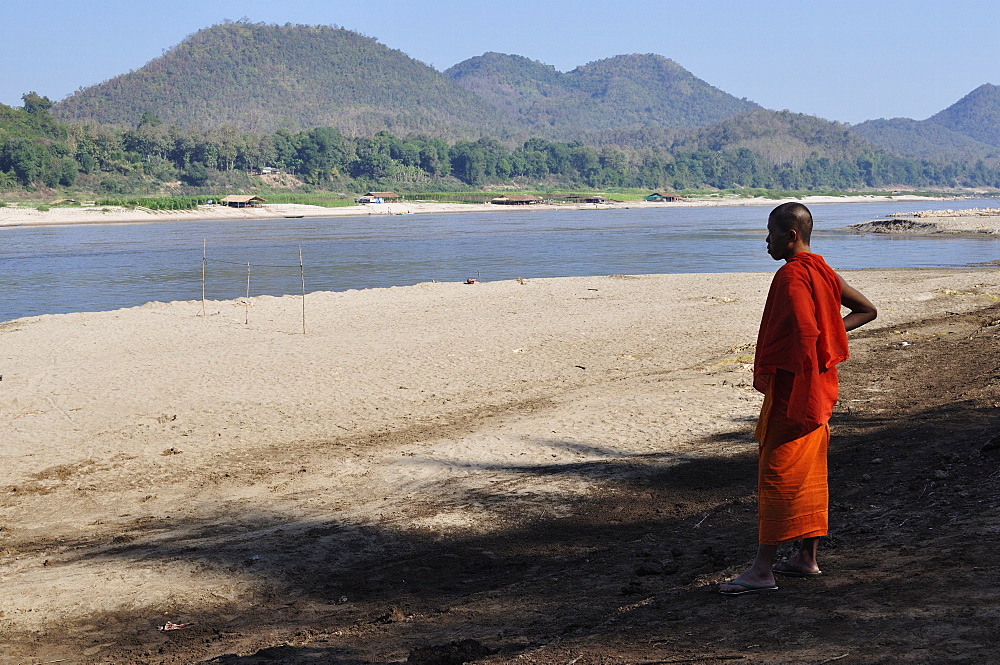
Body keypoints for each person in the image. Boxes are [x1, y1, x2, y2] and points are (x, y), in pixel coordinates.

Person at [720, 202, 877, 595]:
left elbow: (806, 335)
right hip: (819, 388)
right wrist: (829, 343)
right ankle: (806, 558)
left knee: (777, 473)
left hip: (796, 392)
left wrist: (814, 349)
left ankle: (762, 570)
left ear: (791, 235)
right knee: (811, 470)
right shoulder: (821, 270)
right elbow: (866, 310)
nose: (766, 240)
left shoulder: (792, 276)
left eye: (771, 232)